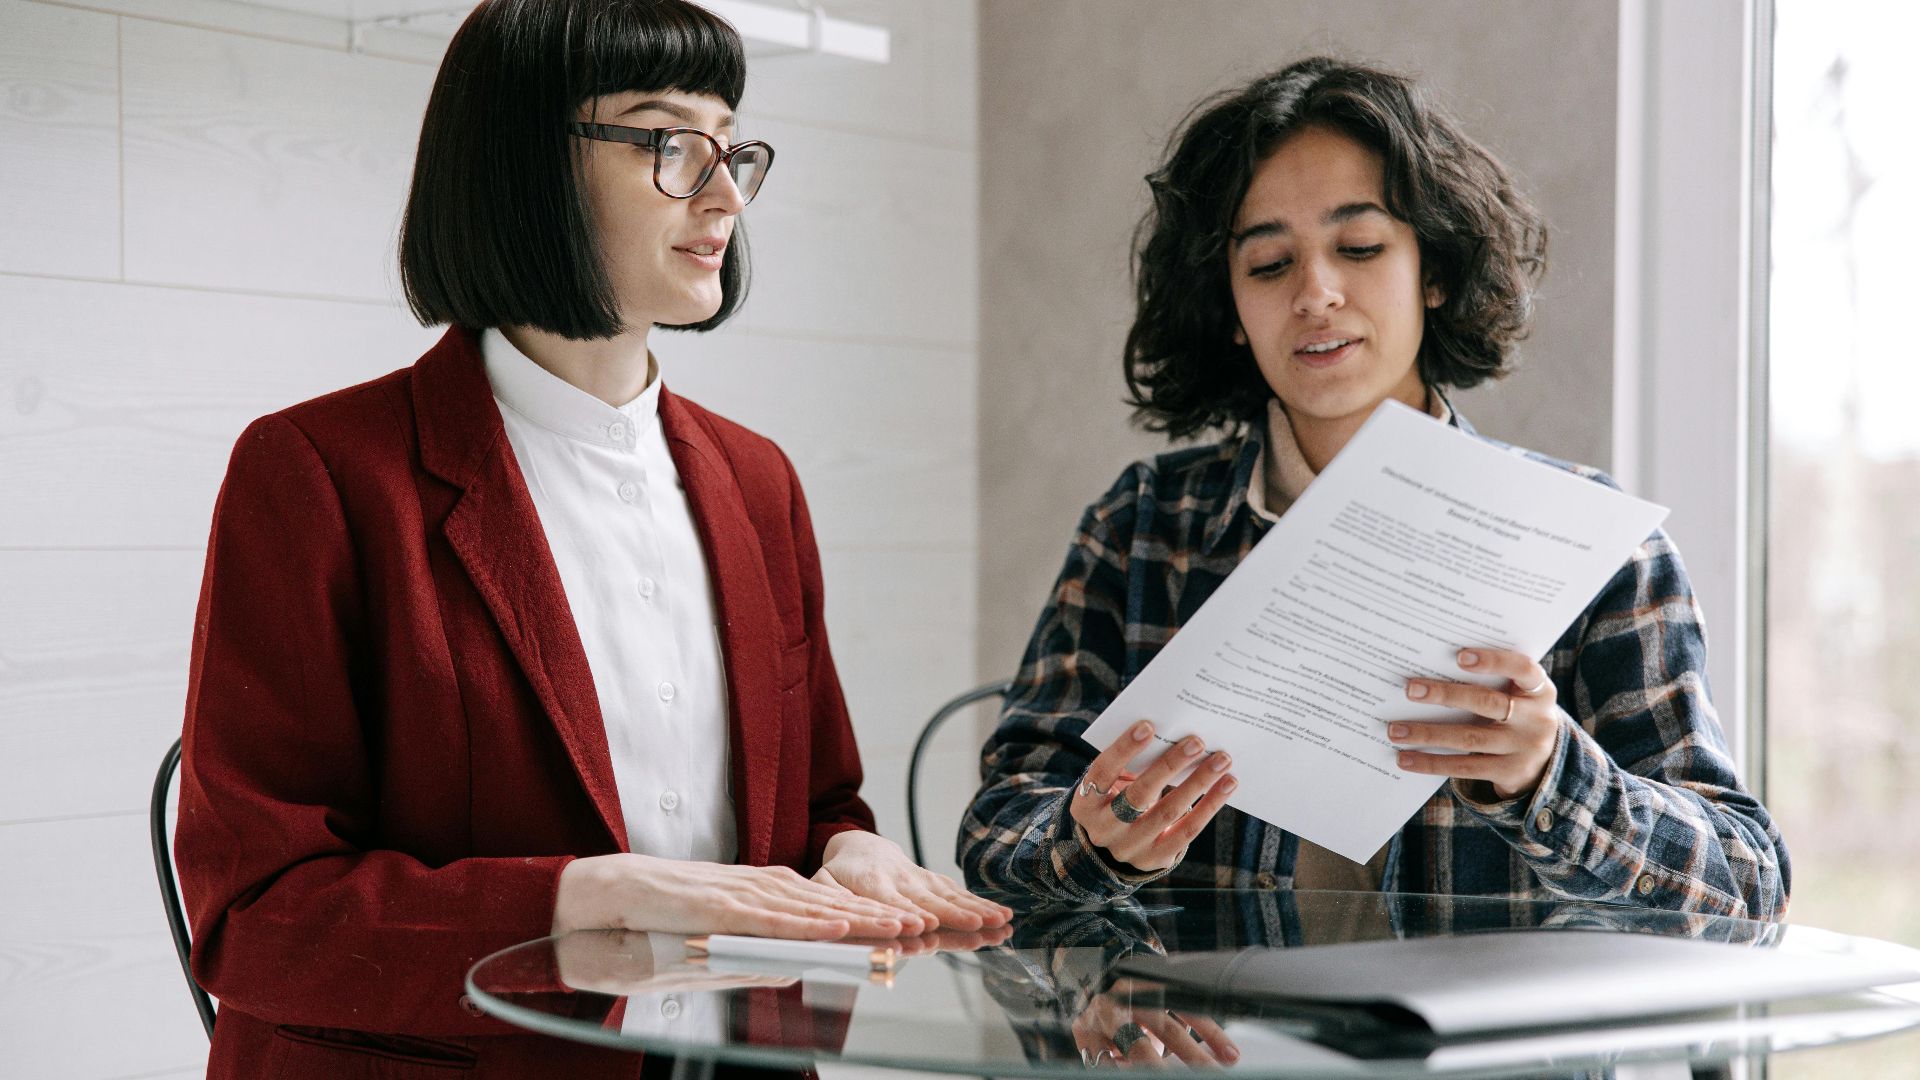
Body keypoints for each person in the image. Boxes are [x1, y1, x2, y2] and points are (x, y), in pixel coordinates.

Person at [174, 2, 1005, 1076]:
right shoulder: (319, 473)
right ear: (525, 163)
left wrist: (852, 853)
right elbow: (259, 915)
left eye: (732, 148)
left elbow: (813, 806)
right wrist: (583, 903)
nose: (722, 196)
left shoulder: (759, 482)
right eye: (669, 144)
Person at [960, 57, 1789, 920]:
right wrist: (1091, 843)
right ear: (1230, 310)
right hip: (1216, 1047)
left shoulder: (1591, 546)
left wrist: (1549, 776)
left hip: (1483, 1052)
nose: (1317, 293)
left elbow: (1745, 882)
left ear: (1433, 272)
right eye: (1270, 265)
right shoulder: (1141, 528)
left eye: (1359, 248)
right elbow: (993, 837)